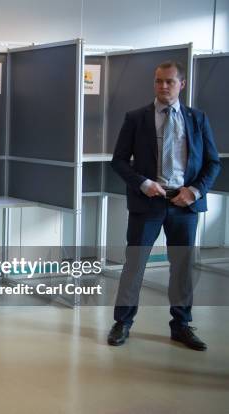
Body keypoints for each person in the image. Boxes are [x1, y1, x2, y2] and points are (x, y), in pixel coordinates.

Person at [108, 60, 220, 351]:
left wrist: (194, 191)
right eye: (158, 81)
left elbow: (212, 162)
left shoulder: (197, 119)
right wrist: (144, 184)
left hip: (184, 204)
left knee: (182, 268)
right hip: (149, 202)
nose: (163, 86)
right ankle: (122, 322)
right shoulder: (136, 118)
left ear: (182, 84)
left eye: (170, 81)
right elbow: (119, 161)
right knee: (134, 265)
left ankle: (181, 326)